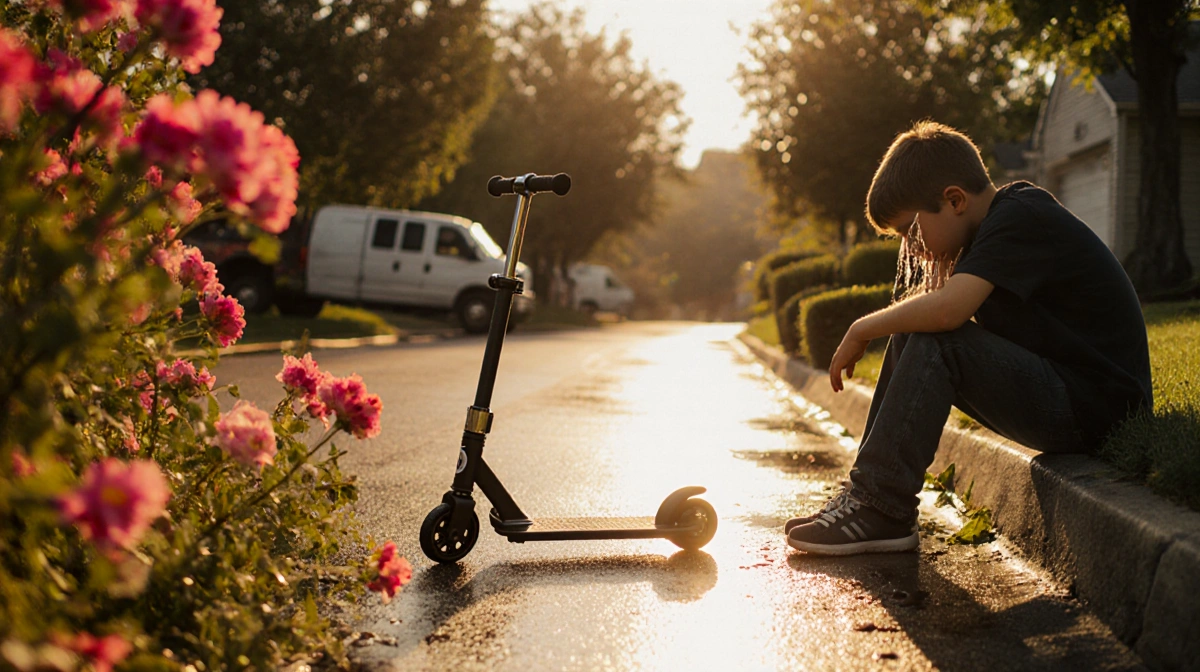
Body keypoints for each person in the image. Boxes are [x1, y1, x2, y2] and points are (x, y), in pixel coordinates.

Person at [785, 121, 1153, 556]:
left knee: (938, 339)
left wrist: (860, 327)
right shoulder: (992, 227)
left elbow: (947, 312)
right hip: (1071, 398)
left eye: (910, 232)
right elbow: (938, 307)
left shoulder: (1020, 216)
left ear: (954, 200)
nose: (911, 249)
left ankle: (880, 506)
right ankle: (869, 498)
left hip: (1099, 409)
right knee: (914, 332)